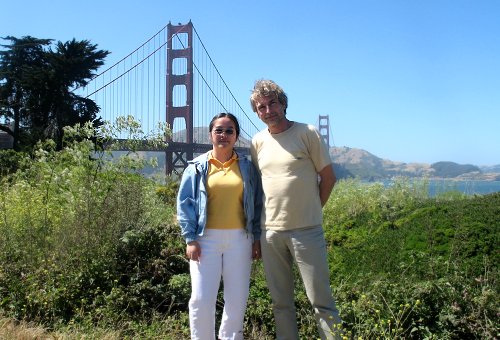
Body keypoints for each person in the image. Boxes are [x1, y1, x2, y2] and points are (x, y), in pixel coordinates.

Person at [249, 79, 342, 340]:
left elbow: (329, 177)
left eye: (272, 103)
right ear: (257, 112)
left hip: (306, 231)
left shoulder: (307, 133)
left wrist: (312, 208)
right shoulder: (257, 142)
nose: (268, 111)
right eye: (261, 107)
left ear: (283, 103)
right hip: (270, 234)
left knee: (322, 303)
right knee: (281, 305)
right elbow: (258, 188)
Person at [177, 112, 262, 340]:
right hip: (206, 239)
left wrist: (256, 238)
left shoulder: (247, 167)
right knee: (201, 299)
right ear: (210, 134)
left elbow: (257, 203)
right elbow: (185, 203)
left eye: (229, 131)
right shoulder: (196, 167)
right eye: (219, 130)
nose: (224, 135)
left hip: (240, 239)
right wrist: (190, 239)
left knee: (237, 299)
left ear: (236, 136)